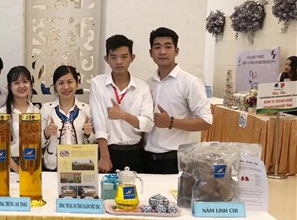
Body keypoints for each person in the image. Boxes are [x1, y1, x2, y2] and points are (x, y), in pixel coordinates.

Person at [144, 27, 212, 174]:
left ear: (176, 51)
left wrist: (171, 122)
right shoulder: (147, 84)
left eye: (168, 46)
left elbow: (207, 121)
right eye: (157, 47)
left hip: (175, 159)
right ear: (151, 53)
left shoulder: (190, 82)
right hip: (146, 158)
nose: (162, 52)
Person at [90, 35, 154, 173]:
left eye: (124, 57)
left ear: (132, 57)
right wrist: (105, 156)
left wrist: (123, 115)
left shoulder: (142, 87)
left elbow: (148, 124)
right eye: (113, 57)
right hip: (108, 152)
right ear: (106, 59)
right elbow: (98, 121)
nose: (119, 61)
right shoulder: (98, 83)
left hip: (136, 152)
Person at [41, 65, 94, 170]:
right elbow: (39, 144)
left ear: (77, 84)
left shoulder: (86, 110)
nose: (66, 87)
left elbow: (93, 143)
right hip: (53, 166)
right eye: (61, 83)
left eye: (70, 82)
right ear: (55, 86)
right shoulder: (46, 109)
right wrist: (46, 133)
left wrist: (88, 135)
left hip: (79, 166)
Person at [0, 66, 40, 172]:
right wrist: (17, 169)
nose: (21, 86)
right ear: (10, 86)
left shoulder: (37, 112)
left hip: (34, 165)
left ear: (31, 84)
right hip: (10, 168)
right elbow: (0, 147)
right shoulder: (2, 114)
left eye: (25, 81)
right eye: (16, 83)